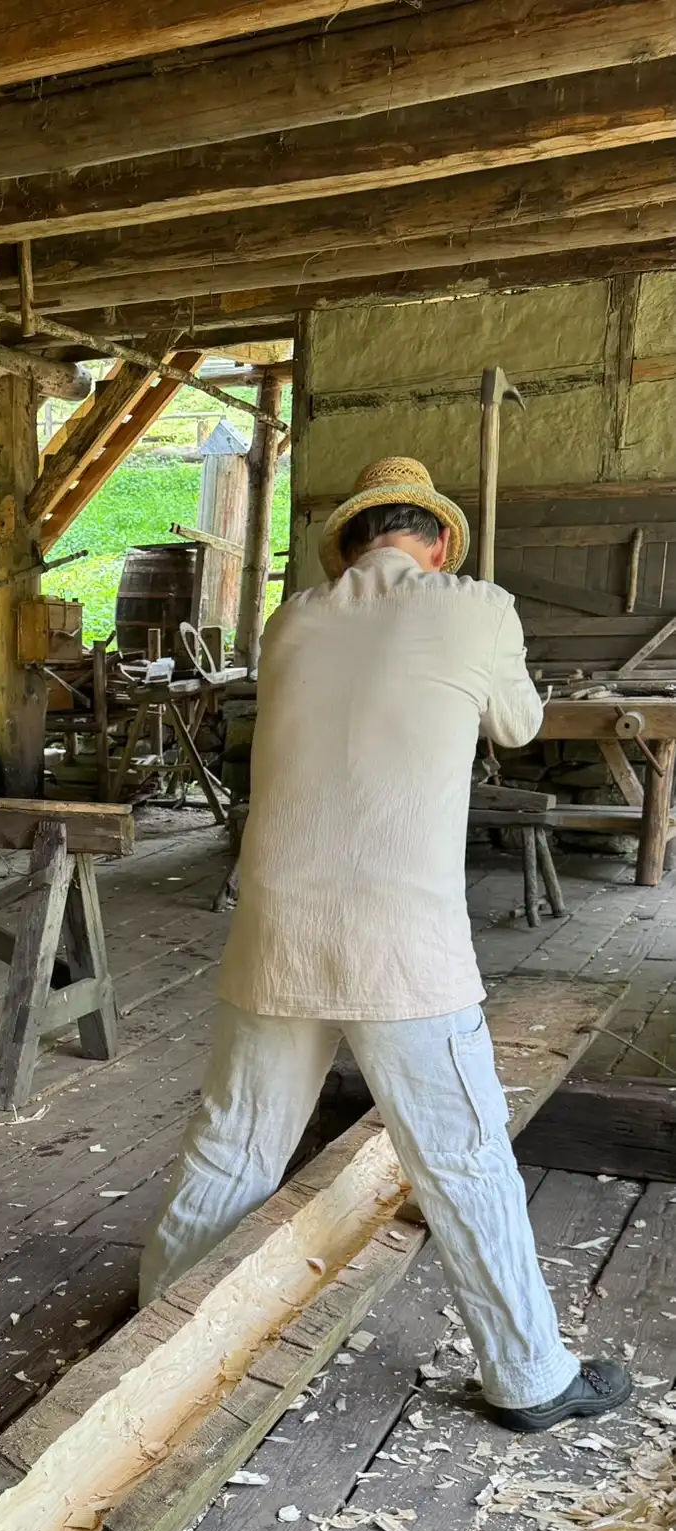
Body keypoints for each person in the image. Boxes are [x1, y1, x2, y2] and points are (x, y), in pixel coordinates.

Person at [141, 456, 629, 1433]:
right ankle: (530, 1375)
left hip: (273, 930)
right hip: (400, 946)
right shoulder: (478, 604)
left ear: (348, 545)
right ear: (439, 541)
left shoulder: (292, 621)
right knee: (461, 1156)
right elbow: (521, 723)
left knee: (235, 1143)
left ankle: (155, 1335)